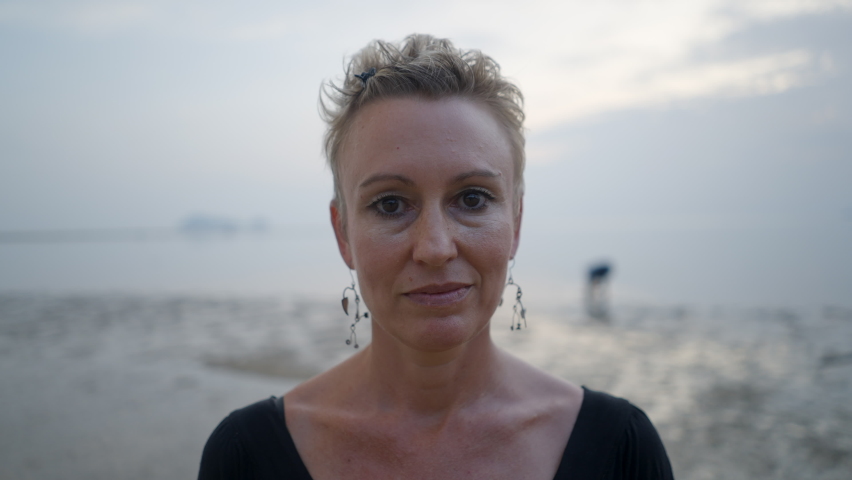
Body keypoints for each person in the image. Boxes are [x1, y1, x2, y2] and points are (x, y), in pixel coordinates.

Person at [198, 34, 673, 480]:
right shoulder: (247, 455)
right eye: (390, 204)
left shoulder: (621, 448)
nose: (435, 247)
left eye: (471, 199)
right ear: (342, 233)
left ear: (517, 223)